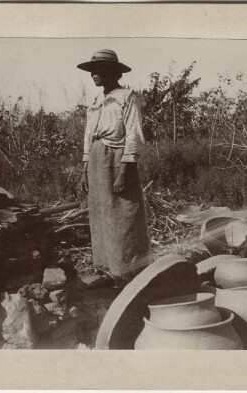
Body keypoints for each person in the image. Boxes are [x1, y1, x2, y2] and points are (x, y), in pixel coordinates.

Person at [77, 49, 151, 289]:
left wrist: (123, 171)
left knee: (123, 213)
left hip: (118, 158)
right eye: (92, 71)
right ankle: (107, 269)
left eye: (98, 70)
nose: (94, 75)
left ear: (113, 72)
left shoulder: (127, 97)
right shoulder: (96, 102)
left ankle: (127, 272)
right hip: (98, 159)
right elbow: (89, 136)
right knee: (100, 213)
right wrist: (85, 168)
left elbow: (133, 135)